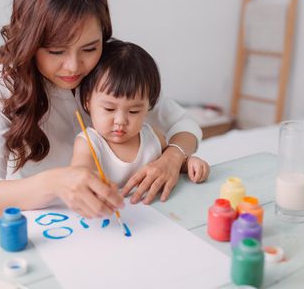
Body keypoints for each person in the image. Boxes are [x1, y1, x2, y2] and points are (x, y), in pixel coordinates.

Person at [0, 0, 203, 223]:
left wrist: (172, 157)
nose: (74, 66)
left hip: (119, 221)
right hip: (46, 229)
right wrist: (56, 183)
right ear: (29, 41)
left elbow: (184, 124)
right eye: (56, 51)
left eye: (90, 48)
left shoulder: (111, 67)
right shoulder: (1, 86)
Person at [72, 39, 210, 194]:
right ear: (87, 102)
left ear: (148, 107)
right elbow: (80, 173)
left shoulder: (153, 136)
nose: (120, 121)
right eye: (109, 109)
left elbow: (173, 163)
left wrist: (191, 163)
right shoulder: (88, 143)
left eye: (134, 111)